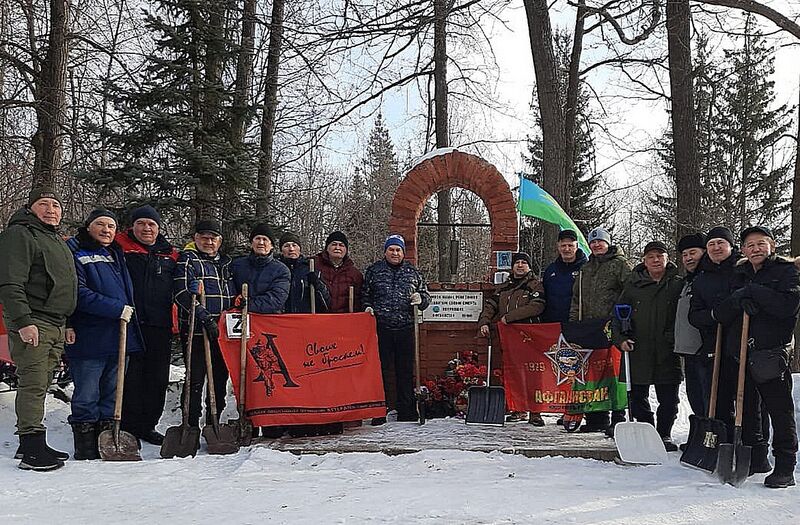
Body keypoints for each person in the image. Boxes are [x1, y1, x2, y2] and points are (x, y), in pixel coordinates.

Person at [712, 226, 799, 488]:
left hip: (770, 353)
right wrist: (739, 298)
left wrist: (755, 292)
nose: (755, 249)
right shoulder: (739, 274)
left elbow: (788, 307)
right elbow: (722, 313)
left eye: (760, 244)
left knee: (779, 411)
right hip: (741, 353)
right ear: (743, 250)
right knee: (747, 410)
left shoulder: (785, 272)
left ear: (771, 245)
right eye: (750, 245)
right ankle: (757, 458)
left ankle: (785, 467)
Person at [0, 188, 77, 471]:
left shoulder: (55, 240)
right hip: (33, 320)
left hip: (55, 322)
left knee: (42, 383)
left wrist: (66, 322)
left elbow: (61, 285)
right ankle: (32, 450)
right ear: (31, 209)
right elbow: (10, 283)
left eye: (56, 205)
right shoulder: (19, 235)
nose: (51, 209)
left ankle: (30, 443)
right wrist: (23, 322)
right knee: (33, 383)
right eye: (43, 204)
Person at [66, 209, 144, 460]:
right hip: (90, 336)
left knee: (113, 392)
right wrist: (116, 309)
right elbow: (78, 293)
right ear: (88, 227)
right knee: (87, 393)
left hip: (119, 335)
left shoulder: (114, 254)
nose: (106, 230)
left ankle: (106, 441)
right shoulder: (76, 253)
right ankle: (86, 446)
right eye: (100, 224)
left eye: (111, 226)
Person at [117, 205, 179, 446]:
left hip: (160, 324)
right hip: (130, 322)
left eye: (151, 224)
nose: (146, 228)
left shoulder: (170, 254)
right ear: (132, 226)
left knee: (157, 378)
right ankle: (127, 426)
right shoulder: (120, 246)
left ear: (158, 228)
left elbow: (181, 280)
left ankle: (148, 425)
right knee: (132, 376)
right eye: (141, 223)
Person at [613, 241, 683, 451]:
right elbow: (616, 315)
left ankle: (664, 434)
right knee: (637, 396)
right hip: (638, 349)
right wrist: (620, 340)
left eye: (659, 256)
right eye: (651, 257)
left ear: (667, 258)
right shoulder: (633, 286)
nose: (655, 260)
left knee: (669, 399)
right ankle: (647, 434)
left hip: (667, 350)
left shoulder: (677, 284)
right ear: (644, 260)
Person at [362, 234, 431, 424]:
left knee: (405, 371)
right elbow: (365, 294)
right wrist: (367, 307)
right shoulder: (374, 271)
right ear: (385, 251)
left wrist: (421, 299)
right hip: (380, 328)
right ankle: (378, 410)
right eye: (391, 249)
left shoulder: (413, 272)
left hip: (405, 328)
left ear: (403, 253)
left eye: (398, 250)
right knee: (380, 371)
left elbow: (426, 296)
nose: (394, 253)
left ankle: (406, 411)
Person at [569, 227, 632, 433]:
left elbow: (629, 292)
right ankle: (596, 417)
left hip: (611, 326)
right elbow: (576, 299)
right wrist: (574, 324)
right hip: (589, 327)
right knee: (593, 374)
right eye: (593, 242)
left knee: (614, 374)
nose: (597, 245)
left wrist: (623, 321)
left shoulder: (620, 265)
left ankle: (618, 416)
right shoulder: (585, 268)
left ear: (608, 243)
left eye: (600, 242)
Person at [173, 220, 235, 428]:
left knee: (219, 380)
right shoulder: (188, 260)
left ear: (220, 241)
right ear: (196, 238)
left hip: (223, 333)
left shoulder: (226, 264)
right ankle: (189, 424)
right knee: (195, 380)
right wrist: (204, 317)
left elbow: (233, 295)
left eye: (213, 238)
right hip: (197, 331)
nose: (209, 242)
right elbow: (181, 293)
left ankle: (213, 421)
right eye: (204, 237)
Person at [478, 252, 546, 424]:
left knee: (533, 374)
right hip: (509, 338)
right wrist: (484, 322)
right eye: (517, 263)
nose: (520, 265)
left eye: (524, 263)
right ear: (512, 266)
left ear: (529, 266)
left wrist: (510, 317)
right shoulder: (503, 287)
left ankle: (536, 412)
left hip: (530, 336)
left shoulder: (535, 285)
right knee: (514, 373)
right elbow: (490, 306)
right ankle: (518, 409)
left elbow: (537, 307)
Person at [688, 227, 741, 439]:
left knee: (748, 400)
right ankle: (722, 442)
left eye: (721, 243)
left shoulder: (743, 270)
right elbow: (694, 315)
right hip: (713, 344)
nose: (716, 247)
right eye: (711, 244)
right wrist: (712, 315)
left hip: (742, 343)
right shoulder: (701, 279)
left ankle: (753, 447)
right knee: (718, 398)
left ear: (730, 245)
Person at [673, 233, 708, 420]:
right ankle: (701, 434)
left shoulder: (707, 279)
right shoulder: (687, 281)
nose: (688, 258)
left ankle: (712, 436)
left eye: (693, 252)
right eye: (684, 255)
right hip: (689, 351)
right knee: (695, 397)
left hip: (706, 350)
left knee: (707, 397)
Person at [276, 232, 331, 313]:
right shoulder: (276, 269)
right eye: (286, 246)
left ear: (299, 248)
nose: (291, 249)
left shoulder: (310, 269)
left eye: (294, 245)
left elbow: (326, 302)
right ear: (281, 250)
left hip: (304, 319)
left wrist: (317, 284)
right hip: (281, 319)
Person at [542, 230, 588, 324]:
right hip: (552, 325)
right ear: (558, 247)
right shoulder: (550, 270)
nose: (567, 249)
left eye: (570, 245)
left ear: (577, 246)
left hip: (577, 324)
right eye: (563, 245)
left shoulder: (586, 269)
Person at [313, 231, 363, 313]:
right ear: (327, 248)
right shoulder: (314, 266)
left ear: (346, 250)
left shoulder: (354, 274)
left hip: (344, 320)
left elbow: (359, 300)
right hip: (319, 318)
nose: (337, 248)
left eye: (341, 245)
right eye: (334, 244)